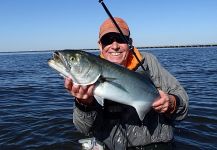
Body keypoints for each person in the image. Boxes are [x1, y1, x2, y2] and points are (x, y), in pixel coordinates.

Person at [64, 17, 189, 150]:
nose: (115, 46)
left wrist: (171, 102)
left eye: (121, 39)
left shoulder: (149, 63)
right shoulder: (88, 72)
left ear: (129, 43)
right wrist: (84, 105)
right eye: (108, 40)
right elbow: (84, 128)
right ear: (100, 45)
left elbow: (184, 107)